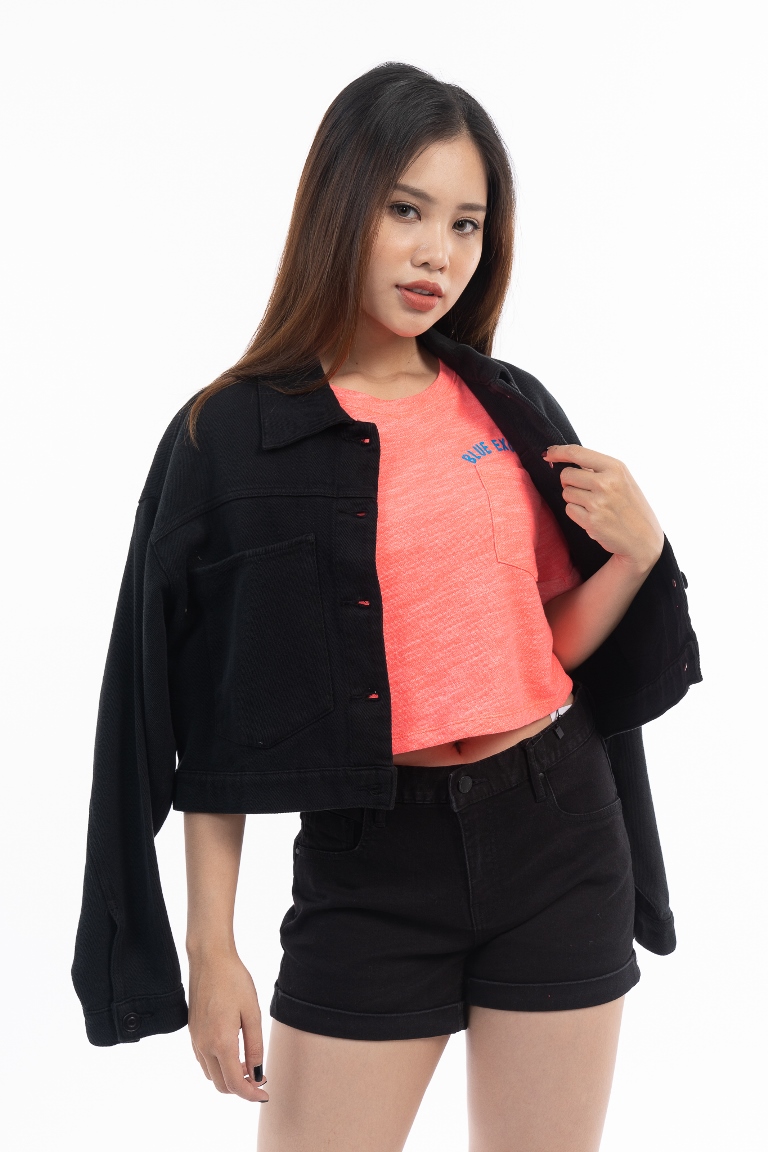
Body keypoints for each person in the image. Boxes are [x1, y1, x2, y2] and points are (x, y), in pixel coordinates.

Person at [72, 63, 701, 1151]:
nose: (436, 254)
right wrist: (211, 947)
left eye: (465, 224)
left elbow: (544, 646)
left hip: (556, 833)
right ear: (340, 203)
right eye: (406, 210)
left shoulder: (505, 406)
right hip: (371, 864)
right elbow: (205, 722)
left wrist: (638, 555)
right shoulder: (227, 438)